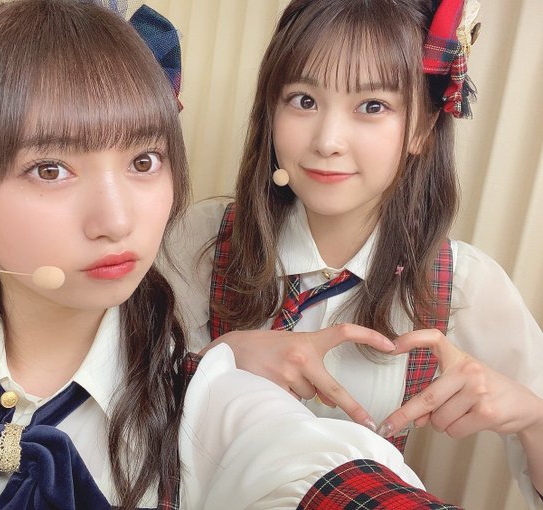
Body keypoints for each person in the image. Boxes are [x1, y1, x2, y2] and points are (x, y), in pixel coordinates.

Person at [0, 1, 466, 509]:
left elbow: (308, 463)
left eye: (143, 161)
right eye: (50, 169)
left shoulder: (201, 404)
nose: (117, 220)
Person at [162, 0, 543, 507]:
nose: (328, 141)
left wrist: (534, 419)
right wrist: (218, 361)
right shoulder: (198, 240)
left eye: (372, 106)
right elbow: (112, 408)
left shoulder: (464, 284)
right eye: (303, 100)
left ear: (422, 129)